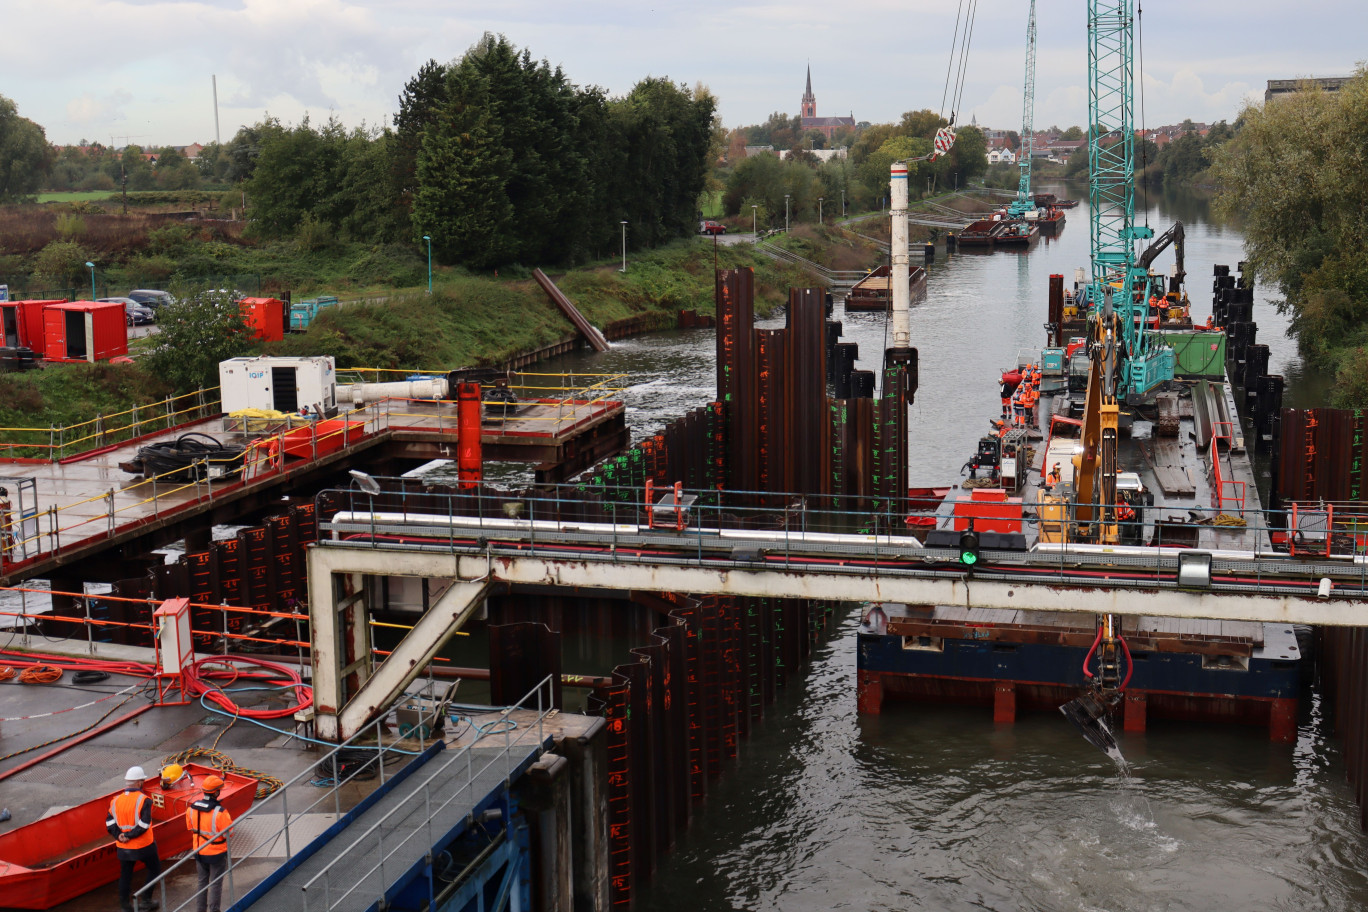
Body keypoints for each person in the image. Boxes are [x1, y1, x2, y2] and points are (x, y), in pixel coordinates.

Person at [106, 766, 160, 912]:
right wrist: (129, 835)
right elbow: (144, 824)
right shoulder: (144, 800)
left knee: (125, 875)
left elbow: (109, 822)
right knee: (155, 870)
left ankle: (125, 907)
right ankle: (145, 900)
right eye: (142, 781)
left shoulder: (115, 801)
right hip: (144, 846)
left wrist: (119, 835)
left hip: (123, 848)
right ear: (138, 783)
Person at [185, 775, 233, 912]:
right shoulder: (221, 812)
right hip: (216, 854)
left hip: (199, 852)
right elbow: (229, 833)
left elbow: (190, 827)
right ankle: (214, 910)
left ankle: (200, 910)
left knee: (202, 883)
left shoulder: (191, 809)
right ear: (217, 793)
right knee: (216, 884)